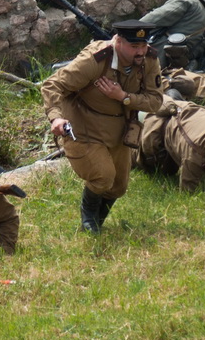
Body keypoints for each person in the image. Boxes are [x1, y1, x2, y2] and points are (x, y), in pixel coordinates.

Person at [41, 20, 164, 233]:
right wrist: (56, 118)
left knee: (118, 185)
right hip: (83, 125)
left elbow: (155, 101)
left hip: (119, 128)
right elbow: (52, 85)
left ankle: (98, 221)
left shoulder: (149, 59)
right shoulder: (95, 59)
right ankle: (88, 220)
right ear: (118, 42)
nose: (141, 51)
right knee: (102, 176)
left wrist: (123, 97)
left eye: (143, 46)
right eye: (134, 47)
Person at [139, 0, 205, 68]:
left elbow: (155, 17)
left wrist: (129, 31)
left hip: (146, 55)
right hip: (163, 67)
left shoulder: (189, 0)